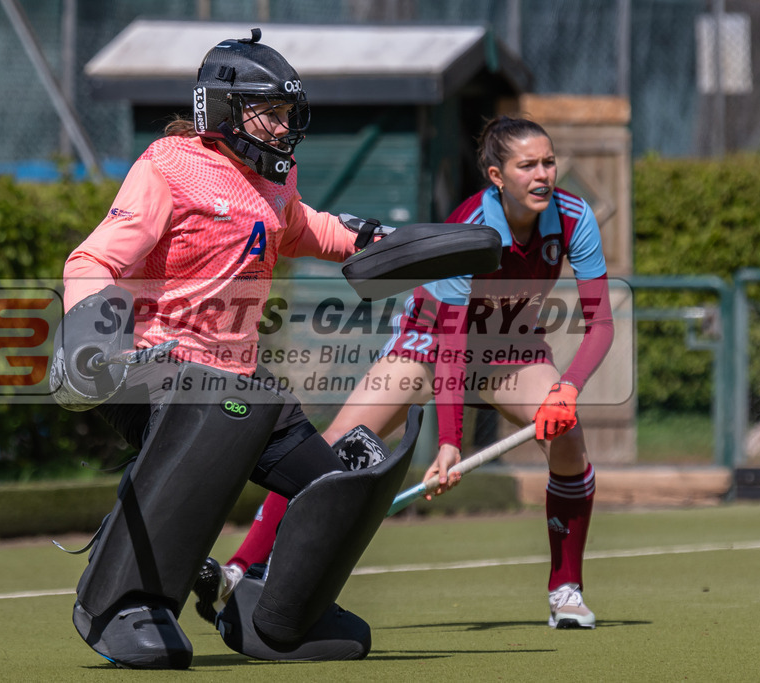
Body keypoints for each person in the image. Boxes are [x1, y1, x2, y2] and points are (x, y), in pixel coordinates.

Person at [50, 29, 425, 669]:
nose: (283, 127)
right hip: (157, 369)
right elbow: (92, 259)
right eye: (270, 112)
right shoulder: (167, 167)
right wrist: (90, 336)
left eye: (288, 113)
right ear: (222, 109)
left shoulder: (275, 177)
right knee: (193, 463)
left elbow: (299, 227)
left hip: (243, 382)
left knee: (339, 489)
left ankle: (278, 617)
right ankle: (127, 604)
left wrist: (373, 240)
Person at [195, 114, 615, 631]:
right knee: (331, 446)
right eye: (527, 165)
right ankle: (242, 567)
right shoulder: (470, 228)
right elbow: (452, 344)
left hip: (513, 349)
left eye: (548, 162)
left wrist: (566, 390)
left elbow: (601, 324)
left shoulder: (574, 217)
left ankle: (565, 590)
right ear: (496, 175)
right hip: (429, 340)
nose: (544, 174)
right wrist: (450, 443)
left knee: (567, 436)